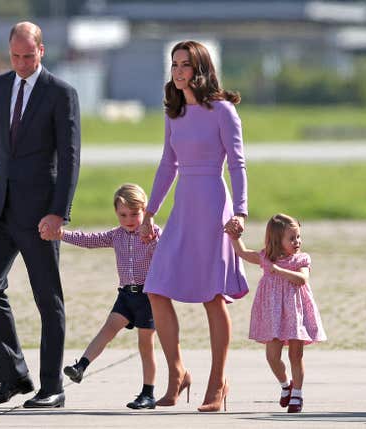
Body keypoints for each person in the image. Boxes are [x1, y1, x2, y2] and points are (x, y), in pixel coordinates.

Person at [0, 21, 80, 409]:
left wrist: (59, 213)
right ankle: (13, 376)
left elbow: (71, 157)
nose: (22, 63)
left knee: (49, 299)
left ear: (41, 51)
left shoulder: (61, 93)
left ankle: (52, 388)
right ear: (8, 52)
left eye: (29, 56)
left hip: (40, 215)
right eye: (15, 56)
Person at [139, 40, 249, 412]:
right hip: (183, 208)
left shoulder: (222, 110)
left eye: (185, 64)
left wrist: (242, 212)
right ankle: (177, 373)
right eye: (174, 64)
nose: (178, 70)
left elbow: (237, 164)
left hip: (214, 208)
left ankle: (218, 383)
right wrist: (150, 211)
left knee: (212, 297)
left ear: (200, 68)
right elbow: (167, 165)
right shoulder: (174, 112)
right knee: (156, 289)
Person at [54, 183, 160, 409]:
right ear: (116, 213)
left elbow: (166, 258)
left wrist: (152, 242)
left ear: (145, 211)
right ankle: (81, 367)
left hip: (148, 297)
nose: (129, 219)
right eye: (123, 214)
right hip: (126, 296)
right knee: (108, 330)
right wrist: (61, 234)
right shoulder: (116, 235)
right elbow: (90, 239)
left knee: (145, 345)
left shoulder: (153, 234)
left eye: (135, 214)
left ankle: (148, 393)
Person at [225, 213, 327, 413]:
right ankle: (286, 385)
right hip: (273, 315)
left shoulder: (301, 259)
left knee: (296, 355)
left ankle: (297, 394)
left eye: (298, 237)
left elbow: (302, 279)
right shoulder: (265, 258)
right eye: (291, 238)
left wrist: (277, 270)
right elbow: (243, 253)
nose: (297, 242)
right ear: (276, 240)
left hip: (295, 313)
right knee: (272, 356)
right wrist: (234, 237)